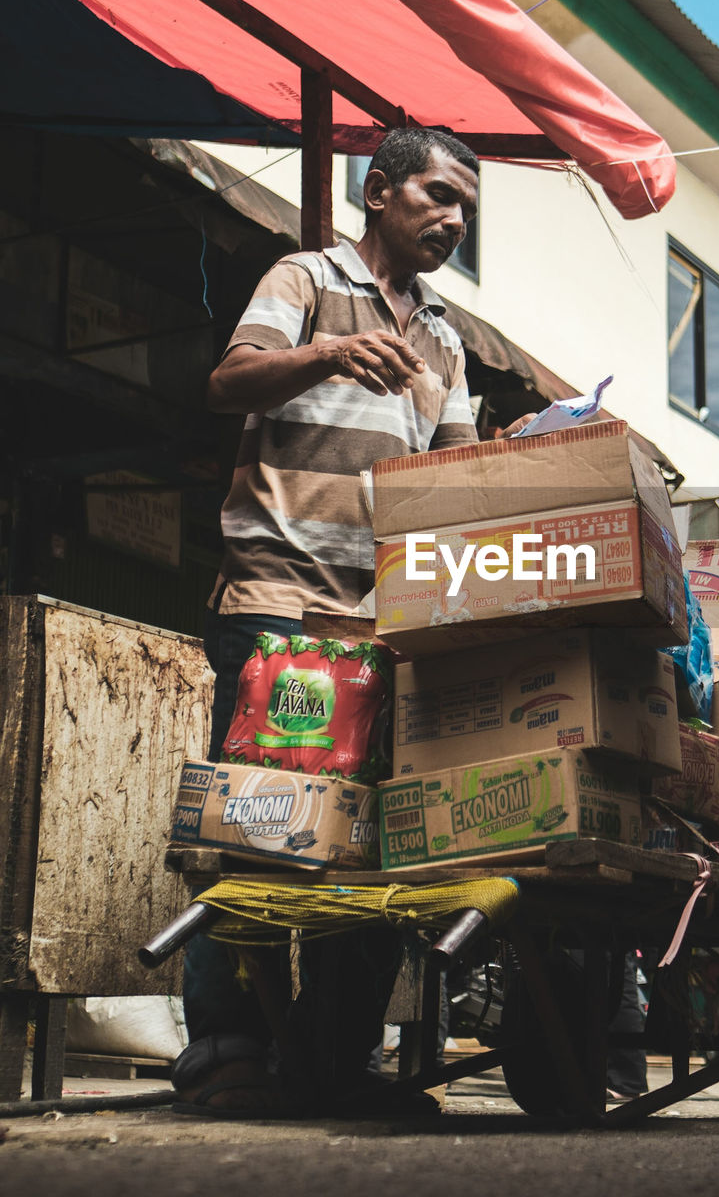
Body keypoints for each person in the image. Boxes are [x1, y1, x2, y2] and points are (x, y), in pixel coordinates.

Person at [172, 127, 530, 1119]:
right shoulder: (305, 277)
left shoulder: (447, 339)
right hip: (277, 604)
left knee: (371, 848)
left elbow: (455, 475)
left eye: (466, 205)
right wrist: (327, 352)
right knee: (252, 831)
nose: (453, 217)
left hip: (382, 625)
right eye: (436, 193)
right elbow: (225, 382)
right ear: (377, 192)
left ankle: (333, 1059)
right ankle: (226, 1048)